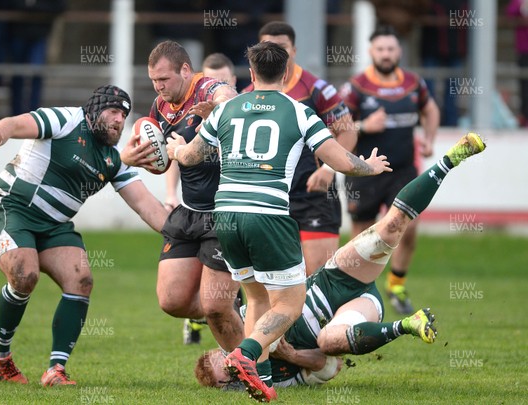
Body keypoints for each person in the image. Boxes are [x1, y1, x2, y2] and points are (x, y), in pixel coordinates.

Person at [167, 41, 392, 402]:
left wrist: (175, 149)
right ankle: (246, 353)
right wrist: (372, 166)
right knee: (289, 304)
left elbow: (192, 156)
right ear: (286, 74)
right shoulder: (300, 112)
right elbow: (341, 162)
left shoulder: (227, 109)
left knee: (255, 297)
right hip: (267, 215)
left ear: (251, 75)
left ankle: (263, 378)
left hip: (224, 216)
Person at [194, 131, 486, 390]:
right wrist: (290, 355)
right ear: (230, 385)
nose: (234, 361)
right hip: (352, 310)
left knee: (391, 227)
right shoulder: (278, 377)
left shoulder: (247, 323)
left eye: (226, 356)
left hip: (332, 279)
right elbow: (330, 367)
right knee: (328, 341)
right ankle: (407, 324)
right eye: (231, 373)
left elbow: (224, 307)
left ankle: (451, 159)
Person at [0, 85, 168, 386]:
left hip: (55, 226)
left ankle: (56, 370)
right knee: (24, 275)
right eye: (113, 111)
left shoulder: (114, 159)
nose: (119, 119)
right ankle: (0, 353)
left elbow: (147, 205)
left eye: (124, 114)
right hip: (13, 208)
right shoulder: (66, 120)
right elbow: (16, 123)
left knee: (81, 281)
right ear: (94, 110)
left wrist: (182, 234)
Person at [139, 40, 244, 352]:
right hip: (189, 211)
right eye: (153, 81)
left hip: (225, 212)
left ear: (185, 70)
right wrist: (132, 157)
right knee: (171, 300)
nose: (158, 87)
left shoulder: (206, 89)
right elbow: (158, 157)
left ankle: (251, 369)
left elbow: (225, 96)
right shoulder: (160, 106)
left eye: (164, 79)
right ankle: (246, 315)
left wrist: (218, 110)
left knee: (215, 307)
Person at [243, 21, 358, 275]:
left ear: (293, 50)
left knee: (317, 277)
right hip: (269, 197)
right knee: (271, 279)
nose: (273, 54)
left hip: (313, 195)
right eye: (266, 47)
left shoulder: (316, 89)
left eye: (280, 47)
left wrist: (328, 169)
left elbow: (348, 131)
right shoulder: (247, 94)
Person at [340, 25, 440, 315]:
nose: (386, 54)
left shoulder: (413, 84)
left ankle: (396, 284)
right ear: (371, 52)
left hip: (403, 170)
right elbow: (339, 129)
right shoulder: (356, 87)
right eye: (380, 49)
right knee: (361, 235)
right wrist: (364, 126)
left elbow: (431, 110)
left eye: (391, 49)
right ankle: (353, 290)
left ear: (399, 51)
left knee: (407, 230)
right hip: (364, 172)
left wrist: (430, 141)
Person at [507, 0, 528, 127]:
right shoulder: (518, 2)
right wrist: (522, 4)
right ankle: (524, 116)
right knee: (524, 85)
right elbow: (509, 13)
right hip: (524, 50)